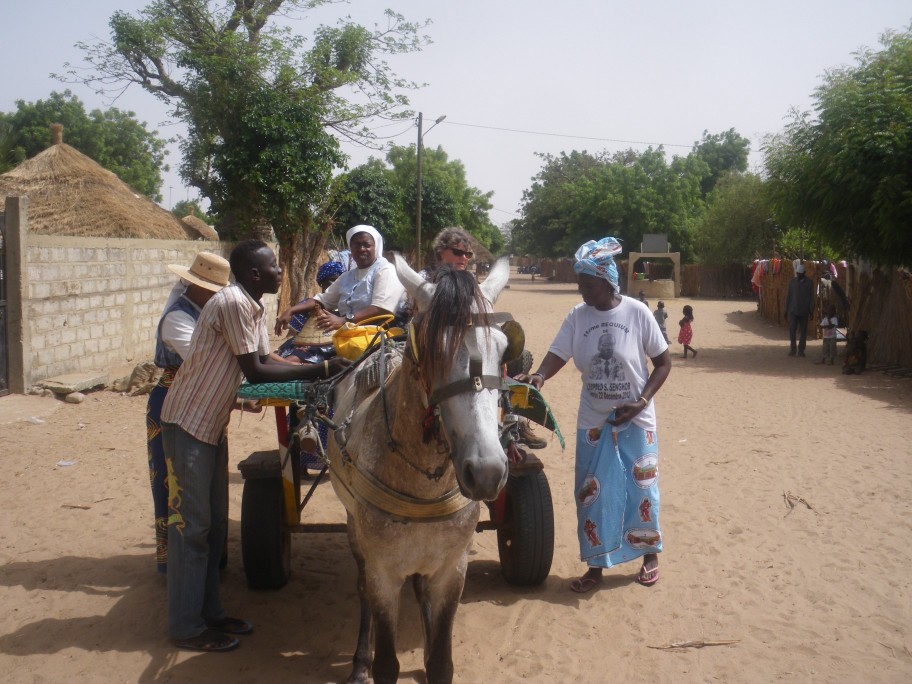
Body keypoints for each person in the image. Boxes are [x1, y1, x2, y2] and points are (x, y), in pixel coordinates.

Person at [160, 240, 349, 652]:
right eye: (273, 266)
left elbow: (269, 359)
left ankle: (209, 613)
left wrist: (310, 368)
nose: (280, 271)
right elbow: (256, 370)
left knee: (210, 530)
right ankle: (186, 626)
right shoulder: (232, 303)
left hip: (208, 425)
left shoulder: (251, 305)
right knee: (193, 530)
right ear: (253, 275)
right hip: (188, 423)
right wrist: (323, 368)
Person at [517, 237, 671, 592]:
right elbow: (559, 352)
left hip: (637, 418)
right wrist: (540, 375)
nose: (581, 290)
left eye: (587, 284)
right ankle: (596, 567)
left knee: (642, 490)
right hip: (594, 421)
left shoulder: (636, 312)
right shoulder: (578, 316)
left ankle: (649, 556)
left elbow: (663, 363)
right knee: (592, 493)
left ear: (606, 281)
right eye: (580, 283)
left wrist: (642, 401)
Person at [147, 252, 231, 575]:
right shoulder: (178, 318)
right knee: (176, 484)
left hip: (206, 400)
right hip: (175, 402)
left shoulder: (206, 312)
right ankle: (180, 567)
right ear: (198, 287)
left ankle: (209, 562)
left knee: (209, 482)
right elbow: (204, 360)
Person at [275, 224, 405, 336]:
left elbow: (381, 308)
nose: (361, 249)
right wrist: (291, 310)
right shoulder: (347, 276)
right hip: (346, 333)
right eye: (356, 245)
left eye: (367, 245)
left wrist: (344, 320)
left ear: (376, 247)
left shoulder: (385, 270)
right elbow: (321, 300)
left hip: (374, 334)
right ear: (351, 249)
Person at [785, 263, 815, 357]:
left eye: (800, 273)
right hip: (793, 310)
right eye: (797, 273)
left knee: (803, 332)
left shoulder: (809, 283)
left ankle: (801, 350)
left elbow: (811, 298)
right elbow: (788, 296)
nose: (799, 275)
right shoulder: (792, 282)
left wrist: (811, 310)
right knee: (792, 331)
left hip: (804, 311)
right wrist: (786, 310)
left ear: (804, 273)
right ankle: (793, 349)